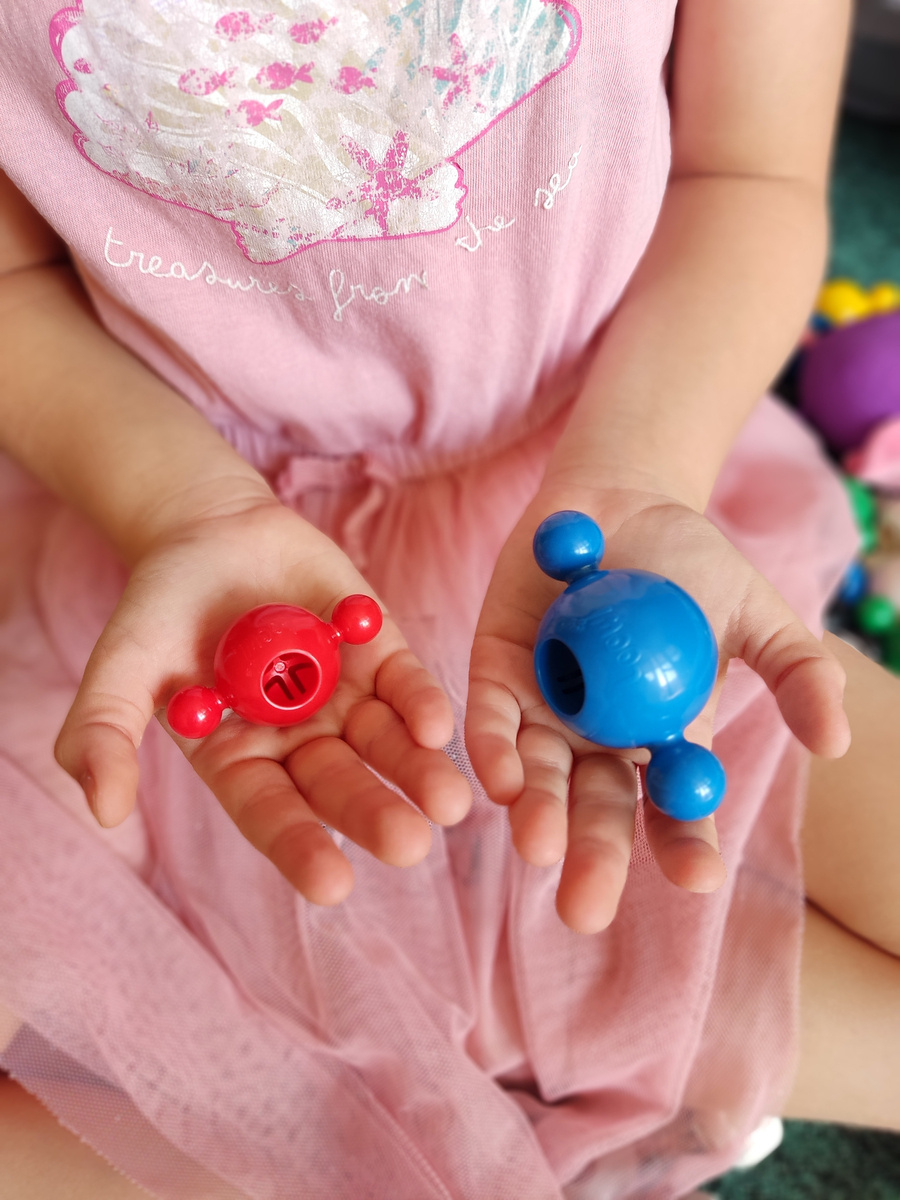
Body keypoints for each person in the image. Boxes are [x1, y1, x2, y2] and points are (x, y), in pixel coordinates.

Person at [0, 0, 898, 1196]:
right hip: (176, 525)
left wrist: (635, 473)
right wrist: (182, 507)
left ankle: (537, 1048)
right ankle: (525, 1053)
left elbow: (750, 171)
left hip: (607, 472)